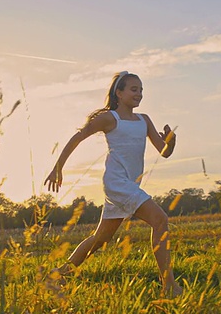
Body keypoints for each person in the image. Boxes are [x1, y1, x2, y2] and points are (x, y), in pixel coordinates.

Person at [44, 71, 183, 296]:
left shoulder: (144, 120)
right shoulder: (110, 118)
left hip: (130, 184)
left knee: (101, 239)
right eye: (133, 89)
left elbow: (164, 152)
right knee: (160, 220)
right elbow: (78, 137)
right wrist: (58, 167)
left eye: (141, 90)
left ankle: (57, 276)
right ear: (119, 93)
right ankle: (169, 285)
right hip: (117, 183)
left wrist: (171, 141)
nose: (139, 94)